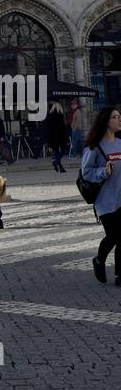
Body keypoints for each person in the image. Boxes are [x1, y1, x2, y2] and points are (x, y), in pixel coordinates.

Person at [81, 106, 121, 284]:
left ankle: (120, 275)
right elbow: (86, 172)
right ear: (106, 121)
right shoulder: (94, 147)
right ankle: (99, 260)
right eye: (115, 117)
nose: (119, 120)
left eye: (120, 116)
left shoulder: (120, 143)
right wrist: (103, 172)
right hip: (104, 200)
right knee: (113, 236)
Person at [46, 101, 68, 172]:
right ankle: (56, 161)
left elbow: (48, 126)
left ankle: (61, 168)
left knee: (57, 152)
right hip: (59, 136)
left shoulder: (49, 115)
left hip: (52, 137)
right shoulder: (60, 115)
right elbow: (62, 127)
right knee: (64, 150)